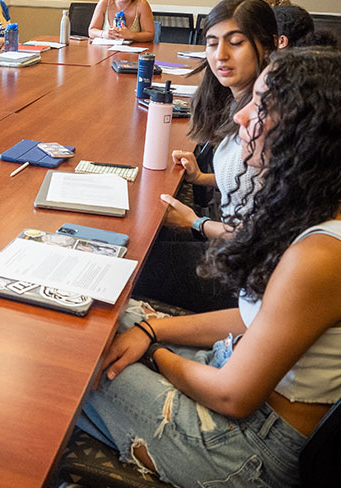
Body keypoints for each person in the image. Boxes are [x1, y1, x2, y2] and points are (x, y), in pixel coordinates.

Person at [77, 46, 341, 488]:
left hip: (247, 447)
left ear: (306, 131)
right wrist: (151, 330)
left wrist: (154, 353)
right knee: (95, 310)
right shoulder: (313, 210)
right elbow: (252, 319)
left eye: (261, 105)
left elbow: (233, 396)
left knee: (70, 356)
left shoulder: (320, 256)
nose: (242, 116)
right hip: (235, 377)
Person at [133, 0, 275, 312]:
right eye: (212, 43)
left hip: (247, 273)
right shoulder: (236, 101)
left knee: (132, 263)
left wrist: (196, 223)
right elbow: (250, 184)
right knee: (138, 238)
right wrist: (202, 178)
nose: (220, 54)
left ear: (267, 46)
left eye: (235, 43)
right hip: (228, 242)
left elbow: (266, 234)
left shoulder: (269, 118)